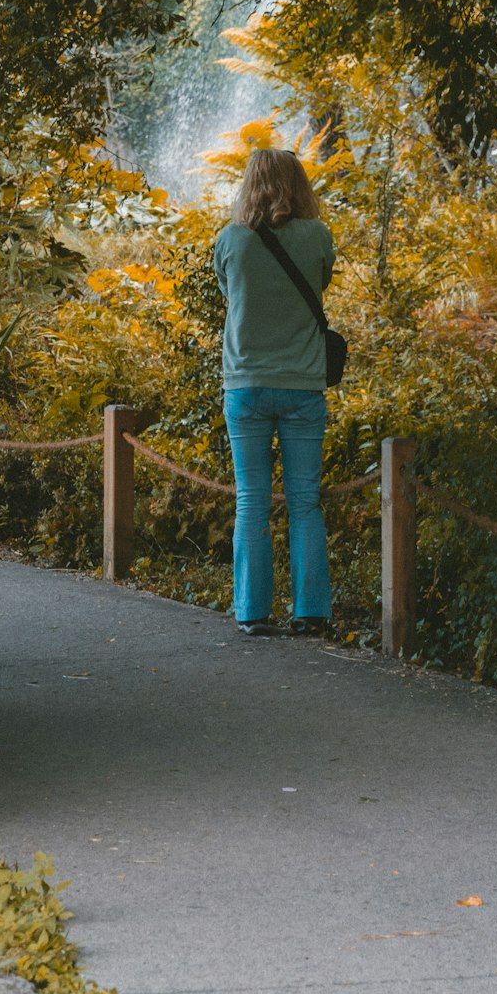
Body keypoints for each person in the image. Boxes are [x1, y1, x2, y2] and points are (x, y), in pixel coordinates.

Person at [213, 148, 335, 636]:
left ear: (249, 185)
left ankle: (252, 612)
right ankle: (310, 612)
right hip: (304, 385)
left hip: (245, 386)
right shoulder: (317, 236)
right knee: (305, 501)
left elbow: (231, 292)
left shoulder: (231, 240)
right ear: (299, 185)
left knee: (251, 499)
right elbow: (321, 283)